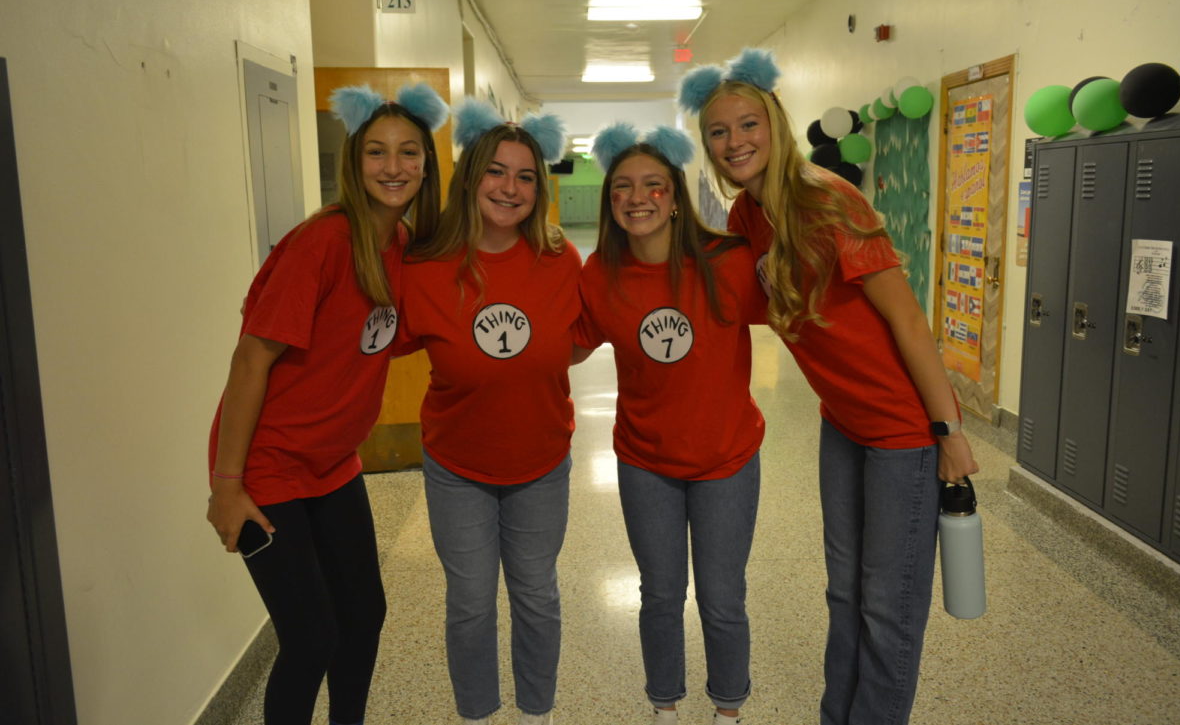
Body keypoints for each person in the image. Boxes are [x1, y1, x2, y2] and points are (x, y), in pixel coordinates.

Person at [679, 49, 980, 725]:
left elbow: (906, 318)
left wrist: (949, 429)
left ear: (776, 125)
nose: (735, 142)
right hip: (843, 422)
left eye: (748, 124)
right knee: (844, 593)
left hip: (903, 430)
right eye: (719, 132)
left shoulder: (827, 196)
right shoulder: (747, 220)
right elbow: (728, 304)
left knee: (888, 604)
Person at [205, 82, 448, 725]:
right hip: (269, 468)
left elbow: (373, 341)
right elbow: (251, 359)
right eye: (376, 152)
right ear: (353, 161)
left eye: (408, 152)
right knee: (311, 637)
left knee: (364, 618)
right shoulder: (321, 243)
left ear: (427, 163)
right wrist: (227, 485)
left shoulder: (399, 248)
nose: (393, 167)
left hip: (333, 464)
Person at [573, 124, 765, 725]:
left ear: (676, 197)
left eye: (654, 186)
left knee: (722, 599)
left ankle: (728, 709)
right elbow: (564, 348)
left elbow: (799, 307)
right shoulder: (600, 274)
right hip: (644, 460)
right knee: (659, 595)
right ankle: (665, 706)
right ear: (610, 203)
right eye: (623, 188)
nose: (638, 198)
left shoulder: (728, 262)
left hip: (727, 459)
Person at [396, 98, 577, 725]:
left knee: (536, 595)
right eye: (497, 171)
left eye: (526, 176)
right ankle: (476, 714)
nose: (510, 187)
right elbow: (369, 340)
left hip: (541, 459)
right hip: (457, 465)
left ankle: (536, 713)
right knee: (470, 602)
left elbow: (579, 336)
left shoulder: (560, 259)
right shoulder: (424, 267)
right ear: (470, 178)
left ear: (540, 188)